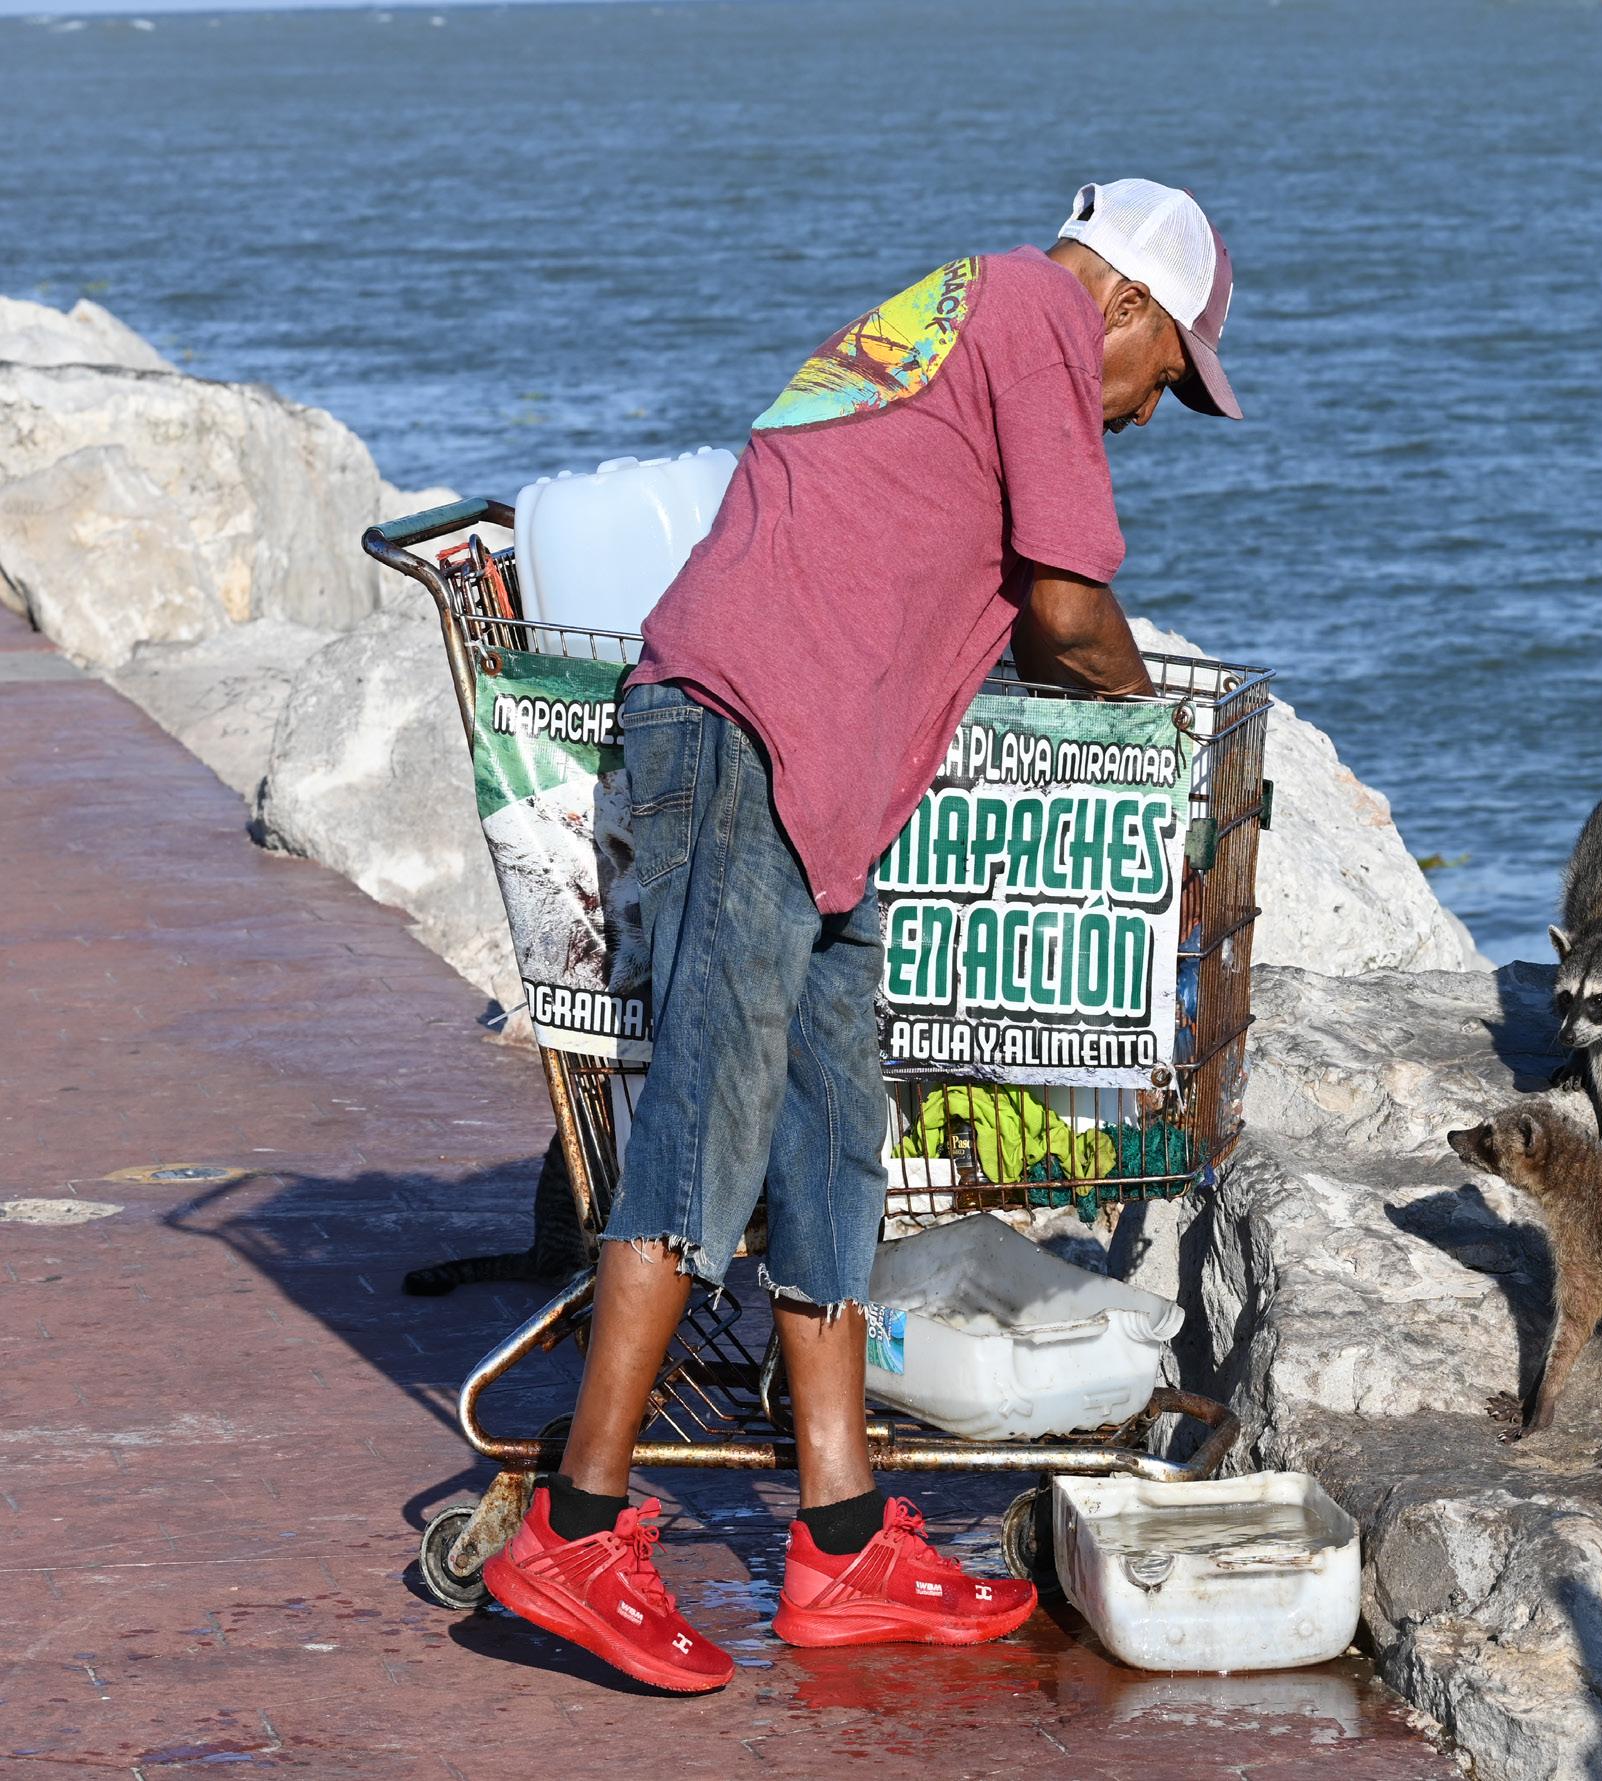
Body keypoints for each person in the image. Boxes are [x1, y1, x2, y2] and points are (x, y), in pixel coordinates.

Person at [480, 180, 1240, 1693]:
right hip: (746, 734)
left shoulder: (969, 312)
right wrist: (1147, 719)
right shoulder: (1036, 311)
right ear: (1129, 306)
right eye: (1166, 378)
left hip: (815, 772)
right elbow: (1067, 608)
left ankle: (837, 1541)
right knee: (709, 1119)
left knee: (832, 1129)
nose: (1150, 414)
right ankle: (573, 1527)